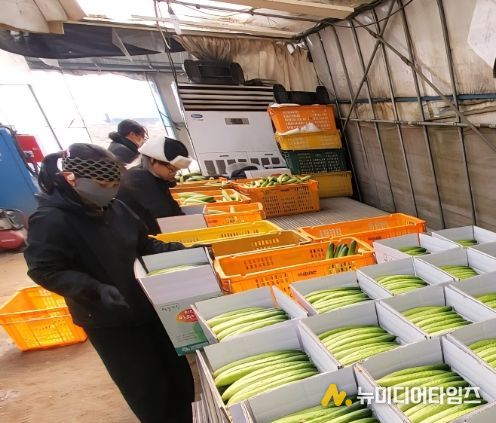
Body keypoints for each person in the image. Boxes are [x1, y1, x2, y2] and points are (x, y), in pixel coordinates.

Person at [23, 143, 194, 423]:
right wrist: (94, 288)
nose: (110, 191)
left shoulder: (116, 208)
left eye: (115, 185)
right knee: (147, 389)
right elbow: (44, 269)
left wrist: (186, 251)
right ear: (72, 178)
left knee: (178, 378)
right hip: (108, 319)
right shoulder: (51, 219)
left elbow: (144, 245)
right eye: (103, 185)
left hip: (147, 306)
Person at [117, 137, 193, 235]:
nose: (173, 174)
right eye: (171, 169)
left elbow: (172, 207)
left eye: (177, 170)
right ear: (153, 160)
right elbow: (163, 212)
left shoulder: (155, 176)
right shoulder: (138, 178)